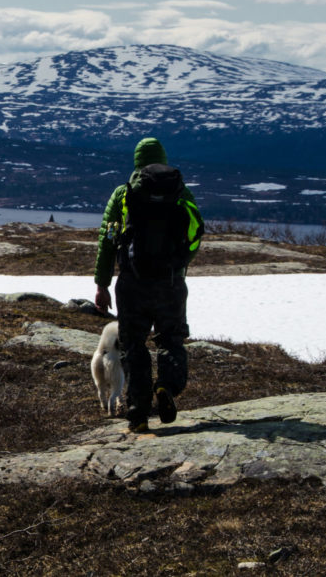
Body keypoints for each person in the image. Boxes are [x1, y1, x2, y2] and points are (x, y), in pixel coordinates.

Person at [94, 137, 203, 432]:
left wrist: (102, 284)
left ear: (136, 162)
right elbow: (194, 237)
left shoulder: (123, 194)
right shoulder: (182, 192)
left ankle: (138, 413)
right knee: (171, 340)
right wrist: (178, 266)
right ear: (163, 159)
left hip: (132, 284)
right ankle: (166, 386)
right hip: (171, 283)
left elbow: (106, 242)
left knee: (133, 347)